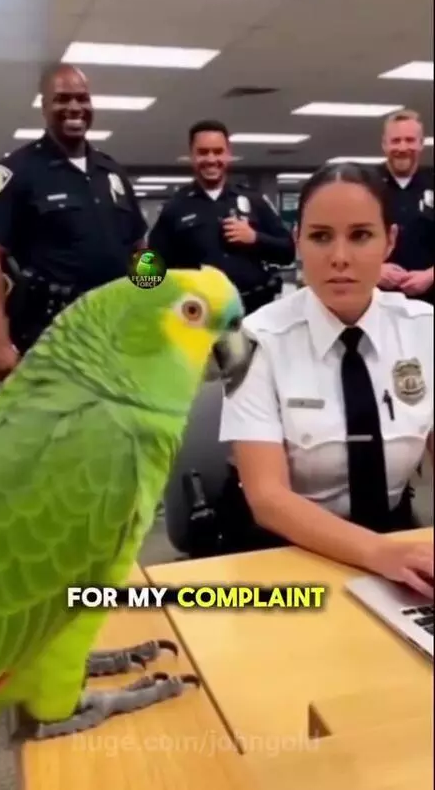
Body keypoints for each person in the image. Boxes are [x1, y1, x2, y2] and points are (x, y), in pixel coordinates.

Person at [218, 162, 433, 599]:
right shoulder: (245, 341)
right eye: (320, 237)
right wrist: (379, 555)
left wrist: (391, 553)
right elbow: (267, 498)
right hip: (282, 550)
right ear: (297, 242)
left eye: (360, 235)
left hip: (391, 536)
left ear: (389, 241)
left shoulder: (426, 329)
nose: (339, 257)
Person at [0, 63, 147, 380]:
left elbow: (141, 250)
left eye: (82, 98)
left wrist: (153, 307)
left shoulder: (112, 172)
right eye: (62, 99)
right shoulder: (17, 171)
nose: (74, 107)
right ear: (45, 106)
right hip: (48, 335)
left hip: (114, 333)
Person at [148, 120, 295, 314]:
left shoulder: (254, 200)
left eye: (218, 151)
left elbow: (288, 252)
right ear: (192, 155)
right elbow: (150, 266)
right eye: (203, 152)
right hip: (200, 319)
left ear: (228, 154)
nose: (211, 159)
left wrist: (255, 238)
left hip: (254, 312)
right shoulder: (175, 207)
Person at [377, 109, 433, 304]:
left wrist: (430, 276)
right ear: (384, 144)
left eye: (410, 140)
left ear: (421, 143)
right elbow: (346, 240)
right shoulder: (364, 185)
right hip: (376, 301)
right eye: (395, 140)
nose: (402, 147)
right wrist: (373, 270)